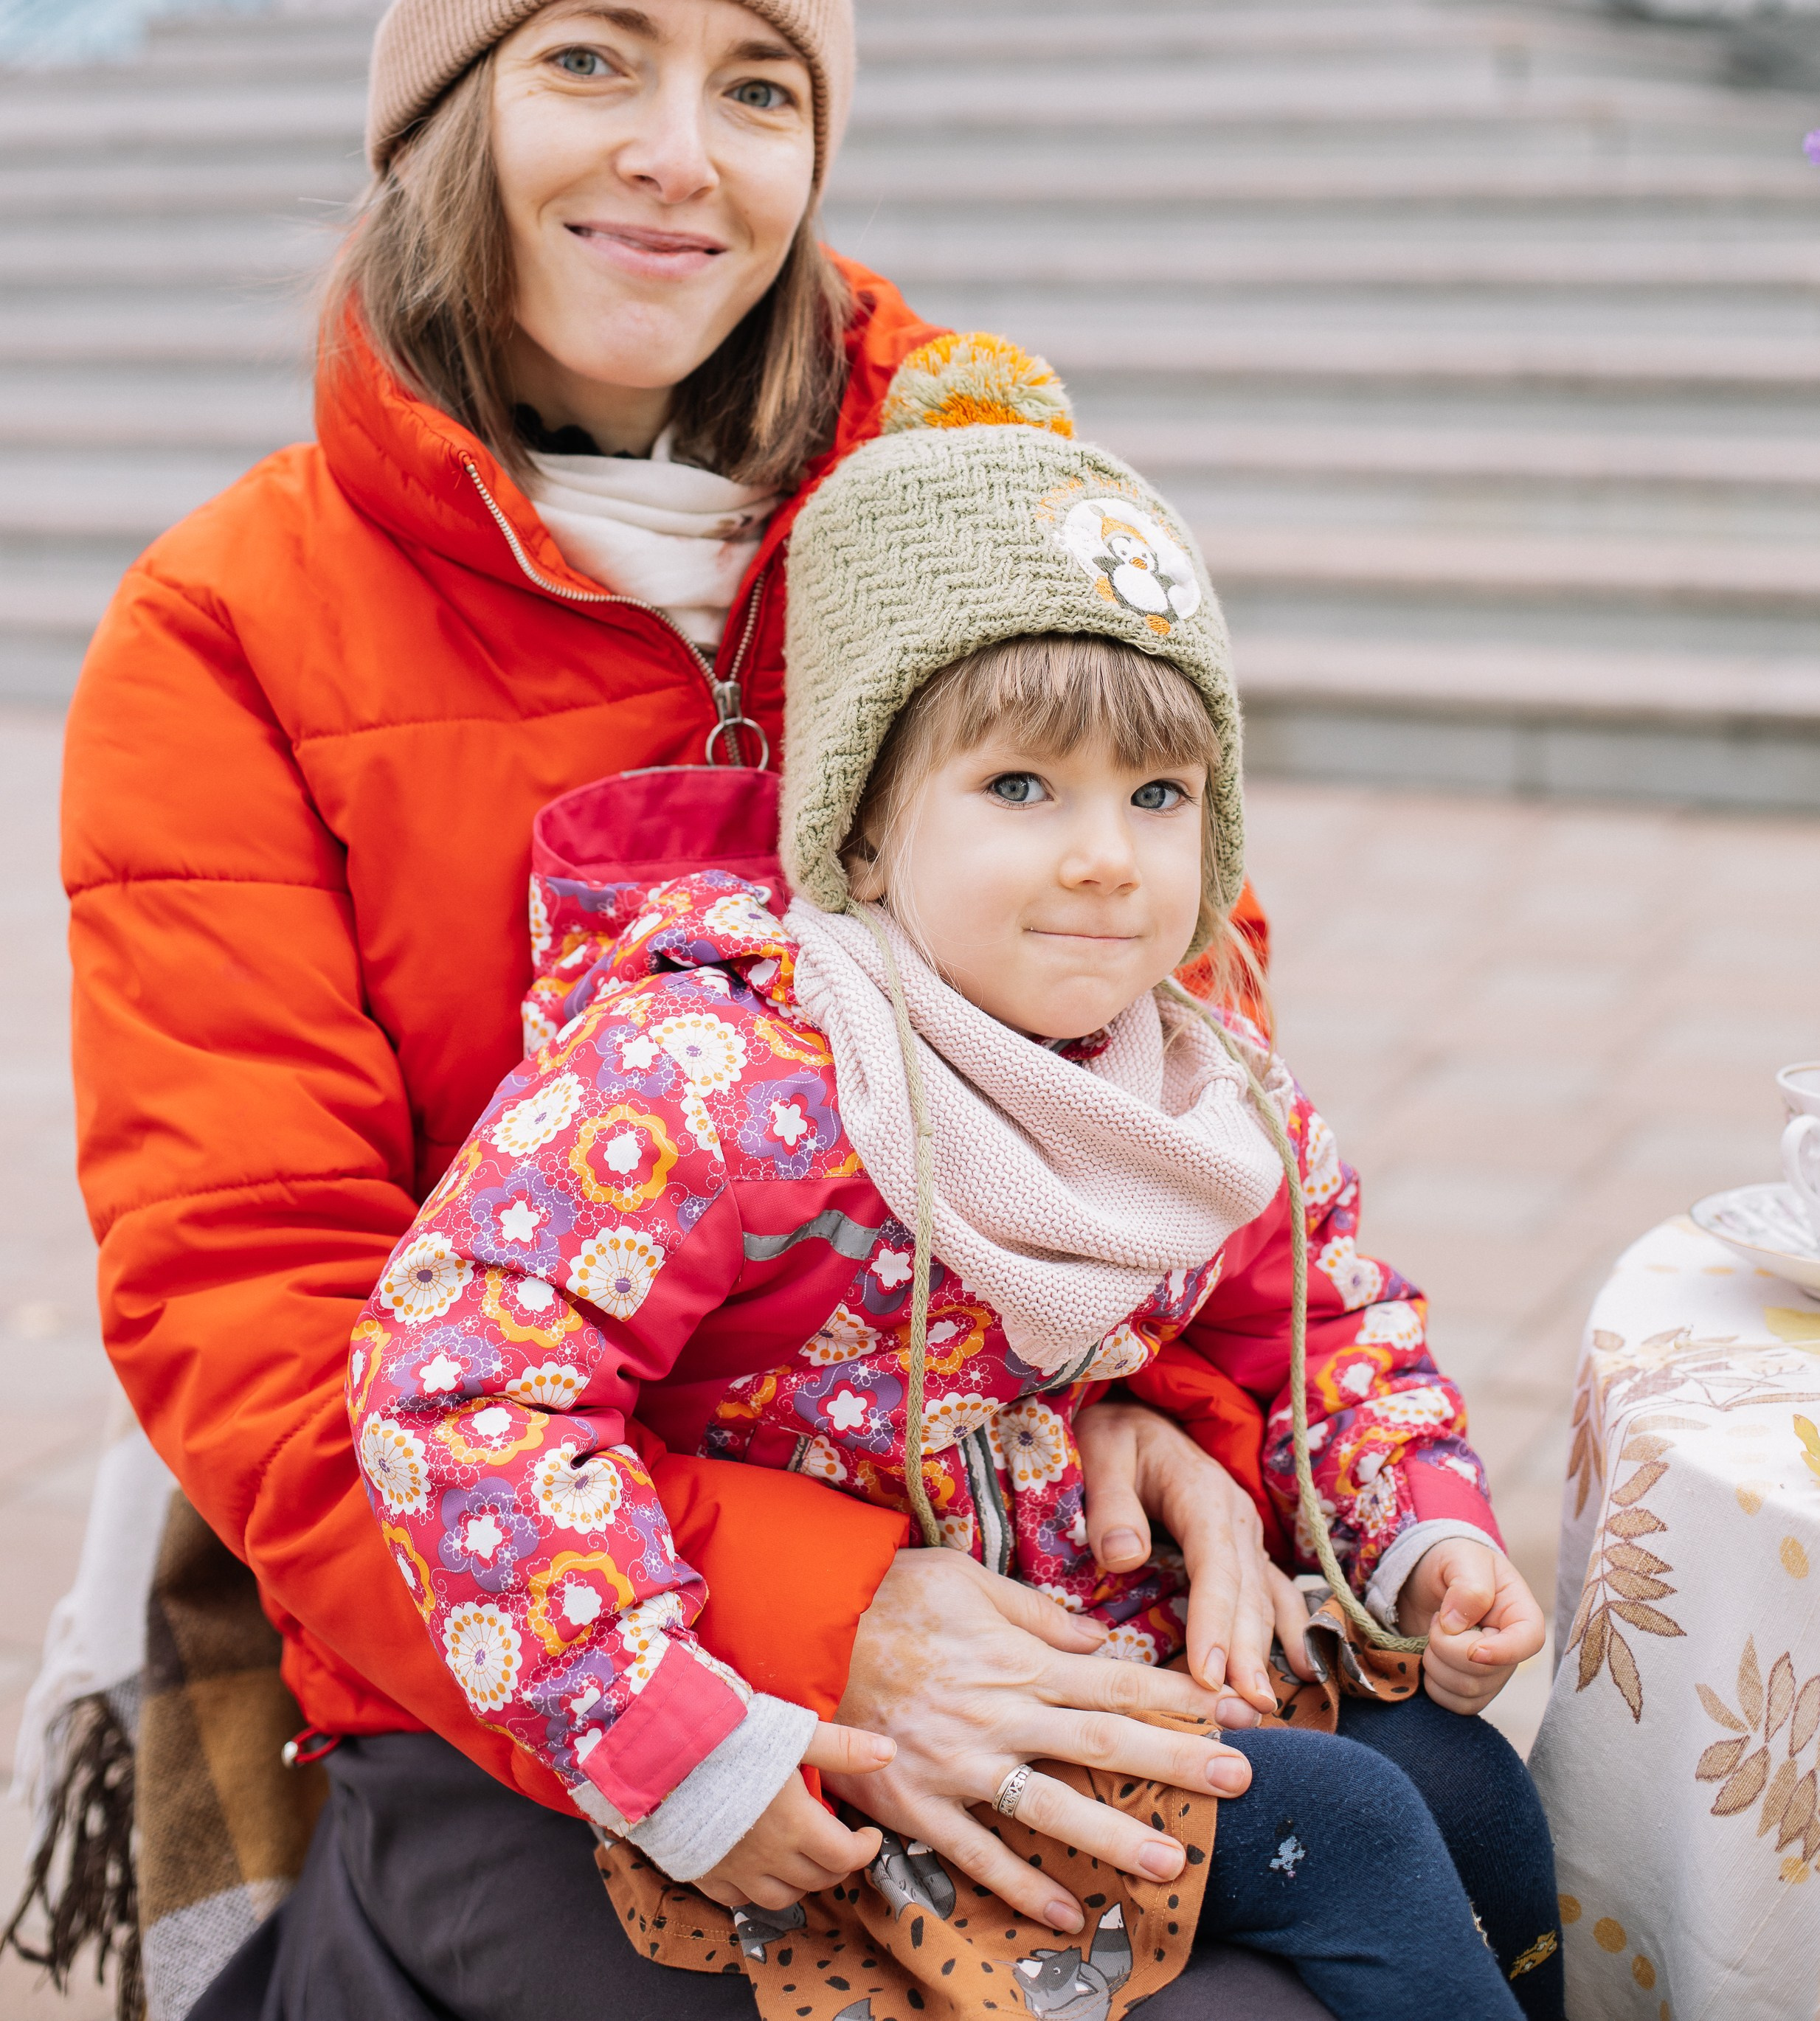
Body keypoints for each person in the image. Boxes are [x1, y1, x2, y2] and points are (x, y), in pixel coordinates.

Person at [54, 0, 1287, 2018]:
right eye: (588, 61)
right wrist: (825, 1605)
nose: (675, 156)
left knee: (1404, 1876)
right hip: (508, 1641)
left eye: (756, 87)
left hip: (1009, 1531)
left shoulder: (957, 498)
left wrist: (1162, 1402)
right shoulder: (226, 635)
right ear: (450, 115)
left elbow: (1176, 1005)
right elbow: (255, 1314)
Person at [345, 422, 1563, 2021]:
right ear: (859, 825)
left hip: (1073, 1610)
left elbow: (1328, 1320)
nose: (1103, 857)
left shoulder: (1198, 1090)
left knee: (1461, 1770)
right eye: (1017, 784)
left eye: (1158, 791)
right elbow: (454, 1382)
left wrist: (1423, 1527)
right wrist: (671, 1731)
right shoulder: (712, 1082)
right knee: (1352, 1828)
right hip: (813, 1695)